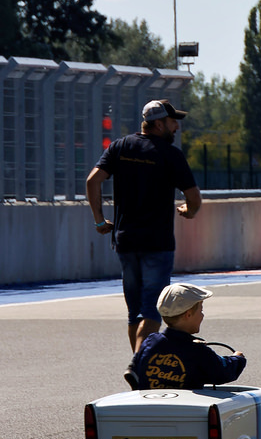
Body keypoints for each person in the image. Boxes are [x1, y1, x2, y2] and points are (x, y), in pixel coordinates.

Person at [85, 99, 204, 354]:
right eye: (173, 122)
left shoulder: (120, 146)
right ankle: (139, 365)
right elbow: (194, 199)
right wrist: (189, 211)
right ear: (159, 124)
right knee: (152, 312)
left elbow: (92, 181)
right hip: (157, 243)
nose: (177, 128)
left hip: (125, 241)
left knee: (134, 313)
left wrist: (99, 220)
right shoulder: (170, 154)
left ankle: (139, 369)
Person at [129, 283, 246, 390]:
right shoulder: (197, 350)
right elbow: (222, 372)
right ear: (188, 314)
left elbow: (139, 368)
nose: (202, 315)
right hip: (184, 405)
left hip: (150, 402)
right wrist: (237, 359)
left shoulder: (150, 342)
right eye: (201, 311)